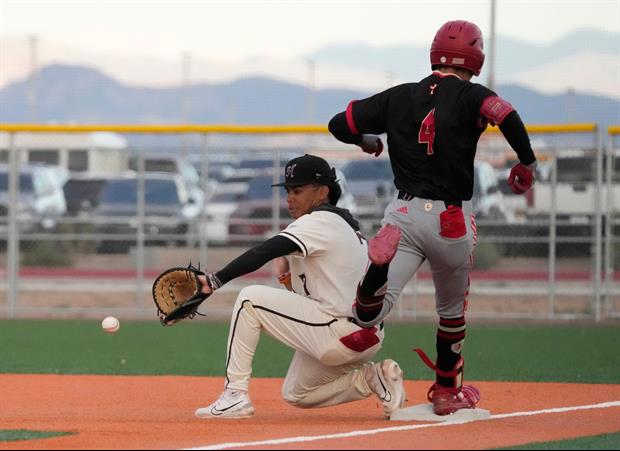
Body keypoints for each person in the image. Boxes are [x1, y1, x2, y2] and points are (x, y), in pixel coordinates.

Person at [328, 20, 537, 416]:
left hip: (403, 214)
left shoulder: (400, 96)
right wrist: (526, 163)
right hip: (451, 218)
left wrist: (365, 139)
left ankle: (373, 282)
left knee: (367, 314)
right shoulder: (473, 95)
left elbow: (338, 123)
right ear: (475, 57)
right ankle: (446, 391)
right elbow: (506, 114)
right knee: (451, 313)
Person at [193, 154, 406, 419]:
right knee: (296, 393)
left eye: (298, 190)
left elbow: (265, 250)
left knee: (249, 299)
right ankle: (372, 378)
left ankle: (234, 395)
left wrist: (214, 281)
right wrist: (285, 280)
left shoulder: (319, 221)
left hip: (340, 331)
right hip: (363, 335)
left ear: (323, 192)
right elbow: (312, 297)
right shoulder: (342, 225)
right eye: (288, 190)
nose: (290, 197)